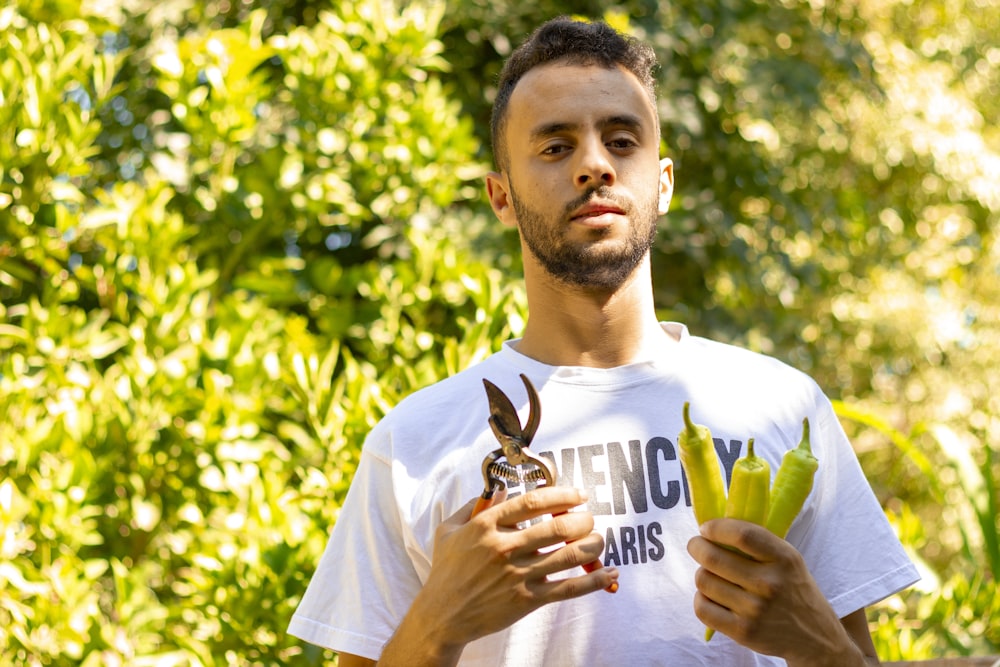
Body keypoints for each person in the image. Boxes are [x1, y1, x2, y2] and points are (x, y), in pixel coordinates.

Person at [288, 17, 919, 666]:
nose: (594, 165)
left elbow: (852, 655)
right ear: (500, 197)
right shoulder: (414, 443)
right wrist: (437, 622)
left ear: (664, 182)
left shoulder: (785, 407)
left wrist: (818, 643)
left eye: (621, 140)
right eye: (556, 148)